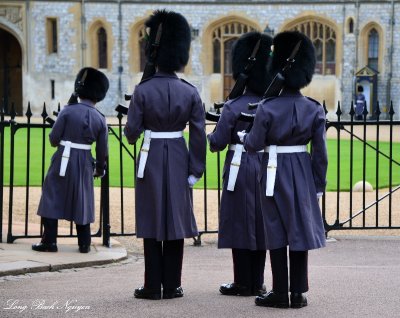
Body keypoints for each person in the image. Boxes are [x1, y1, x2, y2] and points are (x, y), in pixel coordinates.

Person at [240, 31, 328, 308]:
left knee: (276, 231)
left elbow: (253, 145)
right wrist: (319, 185)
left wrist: (245, 137)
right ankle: (298, 293)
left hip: (274, 172)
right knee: (299, 231)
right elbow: (321, 155)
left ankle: (279, 292)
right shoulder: (314, 109)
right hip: (302, 171)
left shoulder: (267, 107)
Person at [124, 10, 206, 300]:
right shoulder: (190, 92)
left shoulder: (142, 90)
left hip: (151, 155)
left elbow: (131, 133)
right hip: (179, 156)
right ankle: (172, 285)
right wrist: (196, 169)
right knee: (176, 221)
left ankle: (151, 286)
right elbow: (198, 133)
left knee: (151, 220)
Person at [207, 31, 273, 297]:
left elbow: (219, 142)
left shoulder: (234, 105)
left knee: (239, 223)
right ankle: (257, 281)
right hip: (267, 165)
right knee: (261, 224)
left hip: (239, 165)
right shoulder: (271, 104)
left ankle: (242, 282)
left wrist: (211, 137)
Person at [32, 67, 109, 254]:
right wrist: (100, 168)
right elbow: (102, 150)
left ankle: (49, 241)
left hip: (63, 158)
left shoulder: (68, 111)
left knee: (52, 195)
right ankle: (84, 243)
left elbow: (53, 139)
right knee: (82, 198)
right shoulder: (100, 118)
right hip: (84, 162)